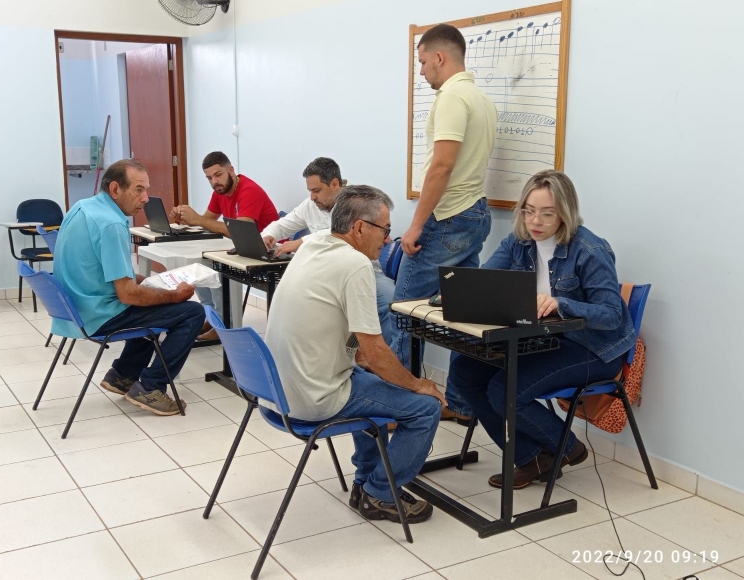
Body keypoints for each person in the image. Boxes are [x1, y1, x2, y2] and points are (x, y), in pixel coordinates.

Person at [264, 185, 445, 524]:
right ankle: (380, 494)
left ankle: (366, 480)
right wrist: (417, 384)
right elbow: (376, 352)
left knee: (368, 378)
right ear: (360, 227)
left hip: (276, 392)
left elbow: (349, 339)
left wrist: (365, 361)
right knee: (426, 408)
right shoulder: (356, 265)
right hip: (314, 397)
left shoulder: (313, 244)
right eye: (385, 230)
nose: (388, 239)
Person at [446, 170, 637, 489]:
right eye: (529, 210)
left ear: (565, 213)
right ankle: (531, 457)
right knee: (465, 372)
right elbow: (485, 281)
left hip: (594, 349)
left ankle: (566, 445)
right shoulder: (518, 242)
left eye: (547, 213)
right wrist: (458, 291)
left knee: (502, 389)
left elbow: (611, 315)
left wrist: (561, 303)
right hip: (548, 341)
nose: (535, 221)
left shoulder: (590, 250)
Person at [391, 24, 498, 423]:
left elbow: (442, 165)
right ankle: (461, 402)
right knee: (463, 317)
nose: (421, 72)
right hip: (473, 214)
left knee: (402, 310)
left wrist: (417, 224)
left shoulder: (452, 97)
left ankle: (395, 404)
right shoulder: (481, 99)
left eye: (422, 62)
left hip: (448, 219)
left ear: (440, 57)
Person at [53, 159, 205, 416]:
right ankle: (151, 387)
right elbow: (128, 294)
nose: (145, 198)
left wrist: (146, 283)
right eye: (138, 190)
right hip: (98, 316)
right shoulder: (112, 224)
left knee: (154, 302)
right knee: (191, 313)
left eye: (146, 189)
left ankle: (123, 375)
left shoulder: (83, 207)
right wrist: (173, 295)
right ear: (115, 190)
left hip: (77, 309)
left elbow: (102, 269)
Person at [261, 157, 396, 343]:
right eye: (310, 191)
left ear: (334, 184)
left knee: (389, 300)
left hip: (365, 270)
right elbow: (283, 224)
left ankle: (390, 359)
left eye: (316, 190)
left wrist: (302, 241)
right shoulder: (311, 205)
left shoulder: (355, 204)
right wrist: (268, 236)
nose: (312, 197)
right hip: (325, 273)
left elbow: (338, 233)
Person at [169, 151, 279, 340]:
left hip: (266, 253)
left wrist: (199, 220)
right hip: (243, 250)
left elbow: (241, 231)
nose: (214, 182)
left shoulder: (248, 190)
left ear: (231, 170)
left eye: (218, 175)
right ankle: (213, 319)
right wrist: (186, 219)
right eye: (209, 178)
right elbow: (206, 220)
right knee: (200, 263)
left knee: (213, 267)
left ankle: (223, 323)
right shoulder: (220, 192)